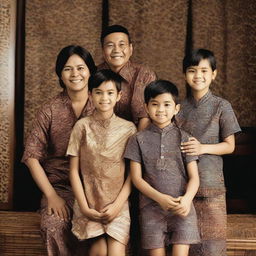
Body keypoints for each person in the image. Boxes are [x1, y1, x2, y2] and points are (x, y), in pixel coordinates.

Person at [22, 45, 97, 256]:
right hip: (60, 187)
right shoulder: (50, 109)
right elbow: (31, 155)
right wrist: (51, 195)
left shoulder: (102, 103)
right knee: (52, 225)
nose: (75, 74)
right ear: (59, 74)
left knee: (94, 229)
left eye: (81, 68)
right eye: (68, 69)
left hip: (96, 188)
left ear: (90, 71)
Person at [175, 48, 241, 256]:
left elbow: (230, 146)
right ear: (185, 74)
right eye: (192, 70)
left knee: (213, 249)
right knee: (187, 246)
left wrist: (202, 148)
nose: (198, 76)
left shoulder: (222, 106)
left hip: (212, 187)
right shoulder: (178, 108)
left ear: (214, 74)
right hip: (183, 189)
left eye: (204, 70)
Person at [124, 80, 200, 256]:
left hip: (182, 209)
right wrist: (160, 199)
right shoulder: (137, 139)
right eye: (154, 104)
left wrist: (187, 200)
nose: (160, 110)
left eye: (167, 104)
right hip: (151, 210)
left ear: (176, 108)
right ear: (146, 107)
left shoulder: (185, 138)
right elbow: (136, 178)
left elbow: (194, 177)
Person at [66, 69, 137, 256]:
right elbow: (73, 171)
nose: (104, 97)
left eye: (110, 92)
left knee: (115, 252)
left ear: (119, 96)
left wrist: (117, 206)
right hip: (88, 203)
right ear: (90, 95)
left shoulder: (129, 129)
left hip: (118, 205)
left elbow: (133, 174)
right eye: (98, 92)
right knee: (98, 251)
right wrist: (84, 207)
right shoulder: (81, 127)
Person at [98, 24, 157, 130]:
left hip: (136, 137)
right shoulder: (93, 74)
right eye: (110, 45)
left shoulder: (144, 74)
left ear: (130, 49)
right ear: (103, 50)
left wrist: (135, 145)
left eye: (122, 45)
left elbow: (145, 116)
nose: (116, 50)